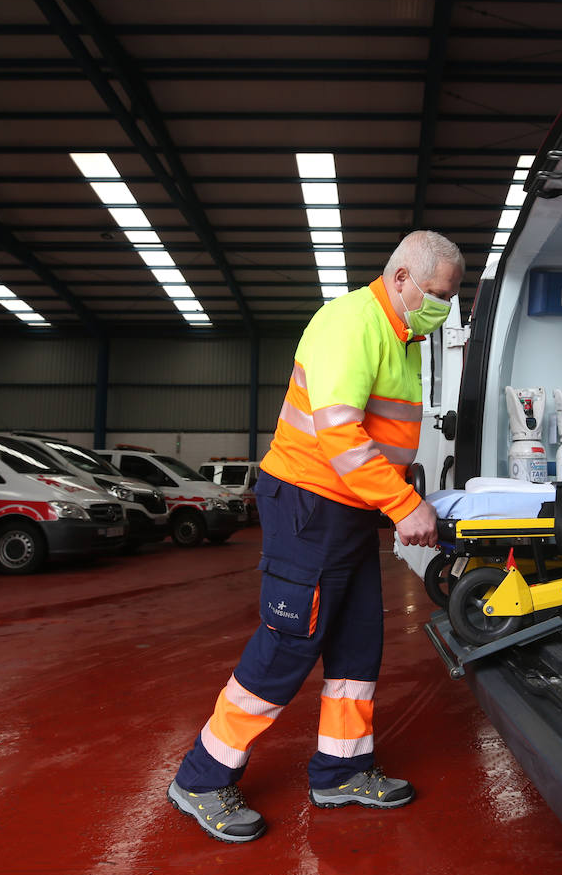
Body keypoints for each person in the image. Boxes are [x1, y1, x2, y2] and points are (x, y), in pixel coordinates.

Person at [166, 230, 465, 843]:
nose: (443, 308)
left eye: (449, 299)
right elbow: (337, 432)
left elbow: (382, 439)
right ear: (402, 278)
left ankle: (342, 769)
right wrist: (404, 504)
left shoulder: (403, 337)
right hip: (308, 501)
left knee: (357, 643)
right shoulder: (350, 322)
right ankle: (200, 777)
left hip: (348, 509)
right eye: (437, 294)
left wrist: (401, 496)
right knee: (289, 641)